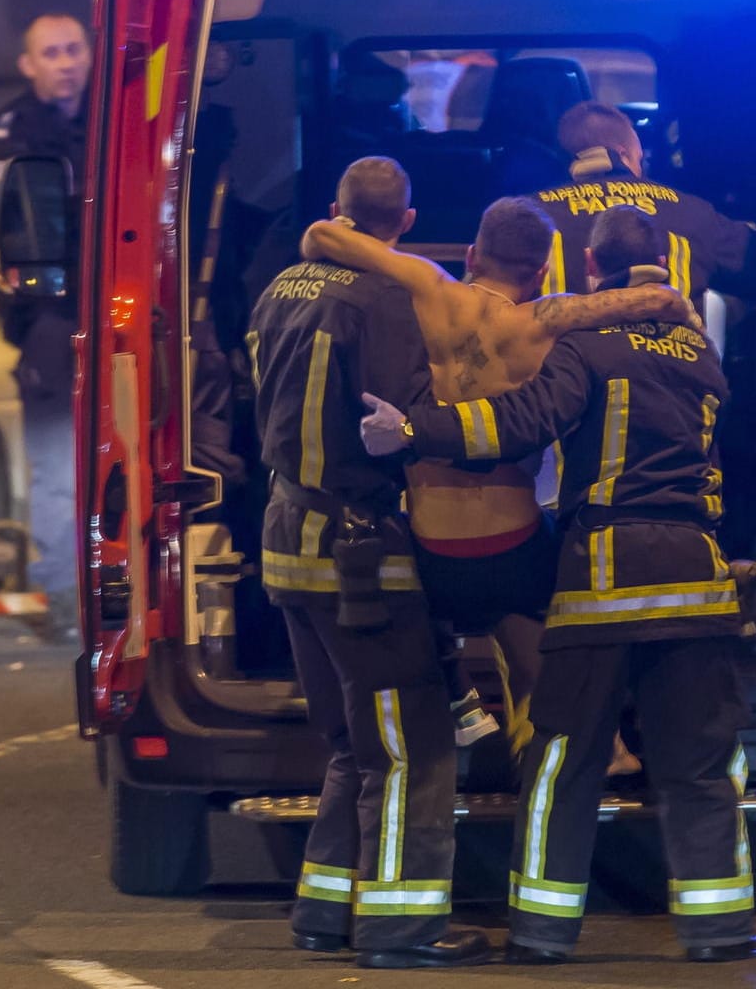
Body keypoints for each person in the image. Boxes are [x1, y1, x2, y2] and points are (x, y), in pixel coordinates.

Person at [361, 206, 756, 964]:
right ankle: (722, 928)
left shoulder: (587, 347)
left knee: (562, 760)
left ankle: (543, 933)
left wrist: (415, 433)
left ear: (592, 267)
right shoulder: (702, 353)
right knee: (702, 762)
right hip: (698, 579)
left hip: (606, 578)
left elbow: (518, 424)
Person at [297, 197, 698, 753]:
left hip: (432, 546)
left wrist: (331, 227)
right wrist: (672, 301)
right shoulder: (545, 317)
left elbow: (322, 234)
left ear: (472, 253)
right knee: (543, 681)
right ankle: (572, 760)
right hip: (514, 545)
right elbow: (650, 300)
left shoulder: (429, 287)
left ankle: (458, 702)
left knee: (408, 624)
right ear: (539, 271)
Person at [247, 157, 490, 969]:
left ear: (336, 211)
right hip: (360, 554)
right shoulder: (388, 301)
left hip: (285, 537)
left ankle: (323, 911)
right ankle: (401, 925)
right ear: (407, 224)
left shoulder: (279, 286)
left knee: (352, 744)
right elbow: (401, 420)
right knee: (410, 745)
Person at [0, 13, 89, 637]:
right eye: (51, 53)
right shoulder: (11, 131)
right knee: (55, 466)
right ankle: (67, 595)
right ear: (29, 65)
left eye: (74, 49)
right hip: (48, 317)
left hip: (111, 311)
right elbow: (25, 221)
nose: (66, 62)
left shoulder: (113, 114)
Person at [531, 101, 756, 331]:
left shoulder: (526, 218)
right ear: (623, 153)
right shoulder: (691, 214)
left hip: (562, 400)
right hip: (670, 399)